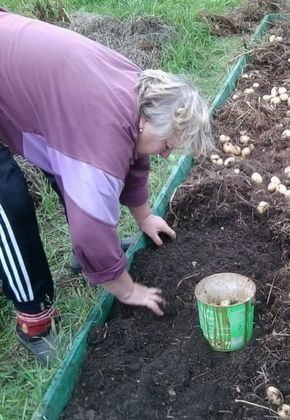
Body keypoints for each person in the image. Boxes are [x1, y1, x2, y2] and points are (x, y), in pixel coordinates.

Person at [0, 8, 213, 366]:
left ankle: (83, 265)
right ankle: (34, 320)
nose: (165, 156)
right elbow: (91, 230)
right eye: (168, 145)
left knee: (73, 170)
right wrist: (128, 289)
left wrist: (144, 217)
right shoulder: (103, 133)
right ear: (148, 121)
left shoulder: (141, 91)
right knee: (9, 202)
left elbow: (135, 154)